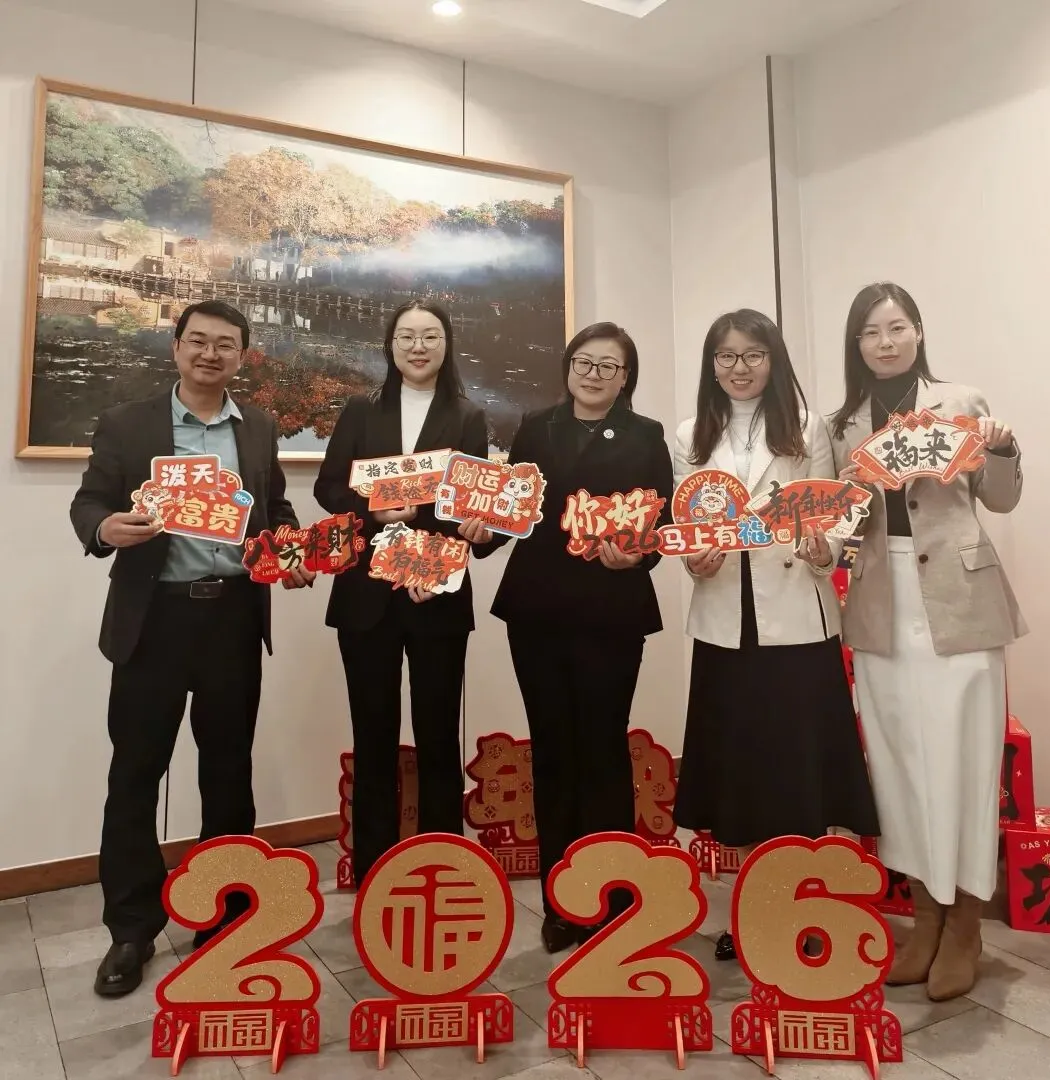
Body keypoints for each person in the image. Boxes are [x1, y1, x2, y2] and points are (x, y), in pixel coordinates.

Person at [70, 300, 313, 998]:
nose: (211, 354)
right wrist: (105, 529)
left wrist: (291, 551)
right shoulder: (128, 423)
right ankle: (131, 927)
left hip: (232, 615)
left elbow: (275, 508)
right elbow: (89, 503)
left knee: (228, 769)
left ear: (242, 356)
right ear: (176, 347)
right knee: (135, 772)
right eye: (198, 341)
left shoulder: (257, 426)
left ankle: (226, 914)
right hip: (153, 620)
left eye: (225, 345)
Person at [828, 282, 1025, 1002]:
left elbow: (1000, 498)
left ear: (918, 332)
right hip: (883, 601)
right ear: (856, 345)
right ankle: (924, 918)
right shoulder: (841, 424)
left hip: (959, 598)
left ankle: (965, 921)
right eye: (871, 332)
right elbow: (842, 525)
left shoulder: (961, 401)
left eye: (897, 327)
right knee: (900, 763)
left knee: (966, 757)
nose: (885, 342)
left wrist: (1001, 450)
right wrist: (842, 500)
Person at [671, 309, 879, 962]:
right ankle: (748, 912)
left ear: (773, 360)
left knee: (798, 769)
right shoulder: (688, 435)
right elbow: (689, 523)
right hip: (725, 620)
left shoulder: (807, 426)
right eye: (726, 356)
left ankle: (803, 906)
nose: (739, 368)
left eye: (753, 355)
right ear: (711, 366)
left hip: (796, 617)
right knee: (740, 772)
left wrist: (824, 549)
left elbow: (833, 513)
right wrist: (694, 561)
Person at [461, 322, 674, 954]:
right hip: (539, 610)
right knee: (551, 747)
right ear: (568, 366)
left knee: (604, 748)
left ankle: (611, 893)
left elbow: (661, 519)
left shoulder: (647, 435)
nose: (593, 374)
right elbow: (516, 508)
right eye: (584, 362)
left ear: (626, 377)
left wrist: (638, 555)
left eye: (608, 366)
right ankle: (561, 899)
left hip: (612, 610)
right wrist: (483, 532)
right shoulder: (536, 427)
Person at [314, 300, 488, 887]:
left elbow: (473, 505)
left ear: (446, 345)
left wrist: (450, 554)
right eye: (407, 336)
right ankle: (375, 873)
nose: (418, 346)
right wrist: (373, 508)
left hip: (435, 593)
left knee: (438, 736)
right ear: (390, 345)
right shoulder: (361, 409)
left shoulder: (468, 416)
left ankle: (443, 867)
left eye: (430, 336)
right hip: (366, 596)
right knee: (373, 736)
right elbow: (329, 486)